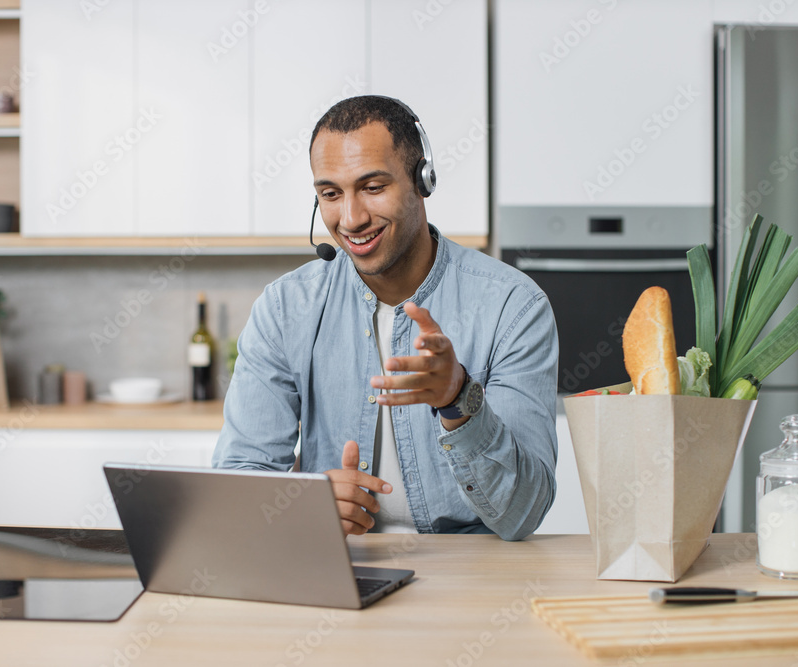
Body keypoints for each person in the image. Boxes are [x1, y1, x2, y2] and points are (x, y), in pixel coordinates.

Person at [213, 95, 558, 541]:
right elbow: (236, 484)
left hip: (471, 576)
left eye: (373, 187)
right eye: (331, 194)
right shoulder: (285, 309)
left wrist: (458, 400)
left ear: (423, 181)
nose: (351, 219)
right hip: (339, 568)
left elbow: (524, 513)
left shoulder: (513, 306)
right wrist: (303, 503)